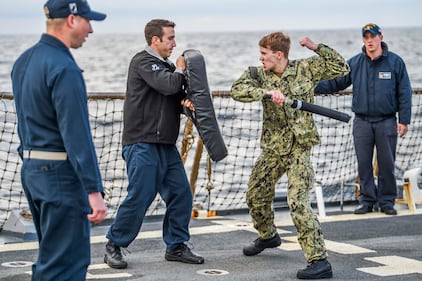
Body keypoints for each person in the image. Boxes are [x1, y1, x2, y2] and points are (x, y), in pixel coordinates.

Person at [230, 31, 349, 279]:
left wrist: (316, 47)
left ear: (279, 54)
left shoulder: (305, 69)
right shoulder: (257, 75)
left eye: (264, 54)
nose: (261, 58)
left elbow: (341, 67)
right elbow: (237, 90)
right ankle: (268, 236)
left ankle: (319, 261)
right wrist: (265, 94)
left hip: (299, 147)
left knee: (297, 201)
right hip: (273, 147)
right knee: (256, 195)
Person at [10, 0, 107, 280]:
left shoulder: (24, 61)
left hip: (32, 172)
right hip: (60, 177)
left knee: (50, 260)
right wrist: (93, 190)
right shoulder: (64, 68)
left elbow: (27, 123)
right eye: (88, 21)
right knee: (68, 265)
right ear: (72, 19)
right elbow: (76, 135)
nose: (91, 30)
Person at [104, 19, 204, 269]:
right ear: (154, 40)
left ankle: (176, 245)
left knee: (181, 193)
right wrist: (180, 69)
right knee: (141, 194)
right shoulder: (143, 62)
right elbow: (168, 85)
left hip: (165, 144)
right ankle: (114, 245)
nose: (175, 43)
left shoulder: (166, 66)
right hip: (141, 143)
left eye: (174, 37)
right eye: (170, 38)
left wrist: (185, 105)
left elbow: (172, 97)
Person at [315, 23, 412, 216]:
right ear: (363, 40)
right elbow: (337, 82)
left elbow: (405, 92)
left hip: (386, 121)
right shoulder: (355, 63)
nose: (369, 41)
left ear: (380, 38)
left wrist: (404, 120)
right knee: (363, 163)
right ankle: (366, 201)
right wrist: (310, 87)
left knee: (387, 163)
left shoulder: (395, 62)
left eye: (372, 37)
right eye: (366, 37)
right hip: (362, 122)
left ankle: (386, 201)